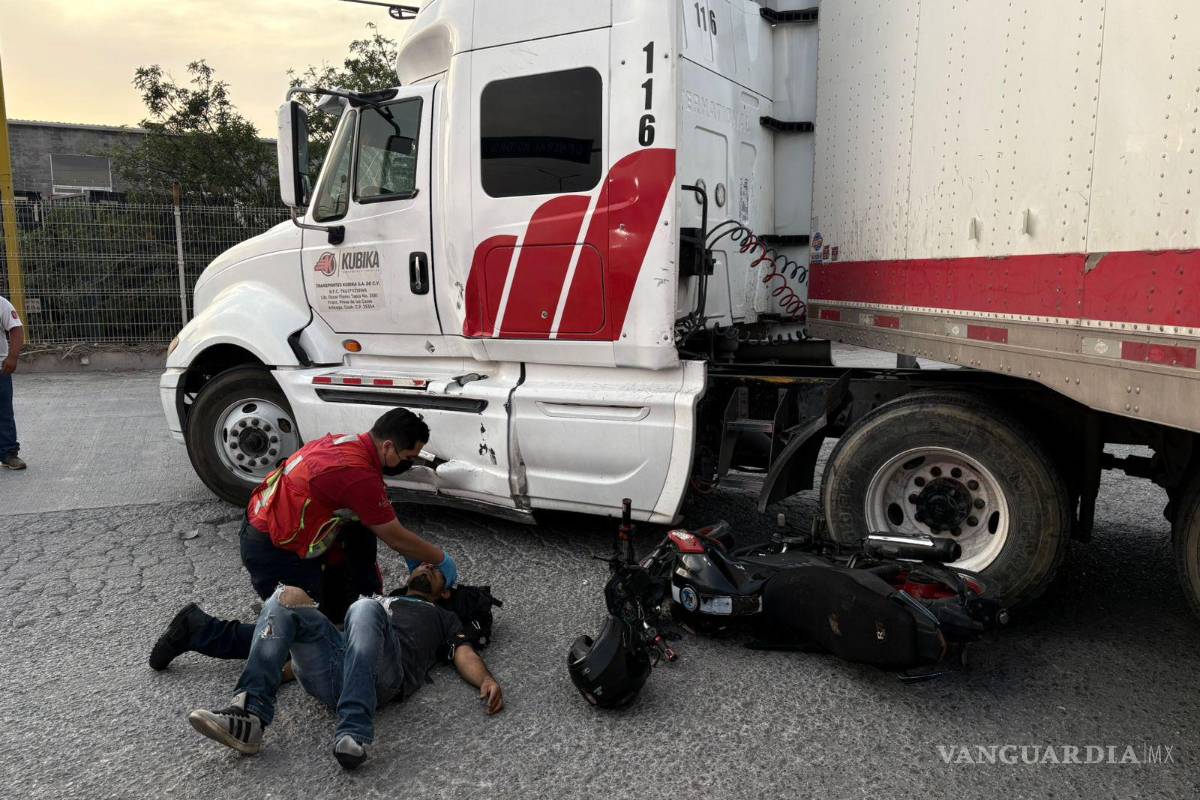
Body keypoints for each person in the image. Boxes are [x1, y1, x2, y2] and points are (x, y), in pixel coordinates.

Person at [149, 406, 456, 667]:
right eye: (409, 455)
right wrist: (439, 558)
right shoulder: (358, 474)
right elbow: (395, 536)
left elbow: (368, 525)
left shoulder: (344, 444)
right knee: (301, 637)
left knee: (357, 537)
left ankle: (338, 606)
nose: (410, 461)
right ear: (388, 447)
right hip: (273, 551)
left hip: (267, 528)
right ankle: (196, 629)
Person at [188, 562, 503, 769]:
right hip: (335, 670)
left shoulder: (442, 616)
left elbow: (463, 652)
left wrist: (485, 681)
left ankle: (353, 731)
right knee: (285, 596)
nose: (426, 566)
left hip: (384, 678)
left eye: (435, 570)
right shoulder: (384, 599)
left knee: (363, 607)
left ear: (444, 592)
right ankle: (250, 713)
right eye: (422, 564)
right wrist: (282, 674)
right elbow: (336, 641)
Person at [0, 293, 25, 471]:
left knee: (4, 413)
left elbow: (16, 327)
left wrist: (13, 357)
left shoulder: (0, 303)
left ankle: (8, 453)